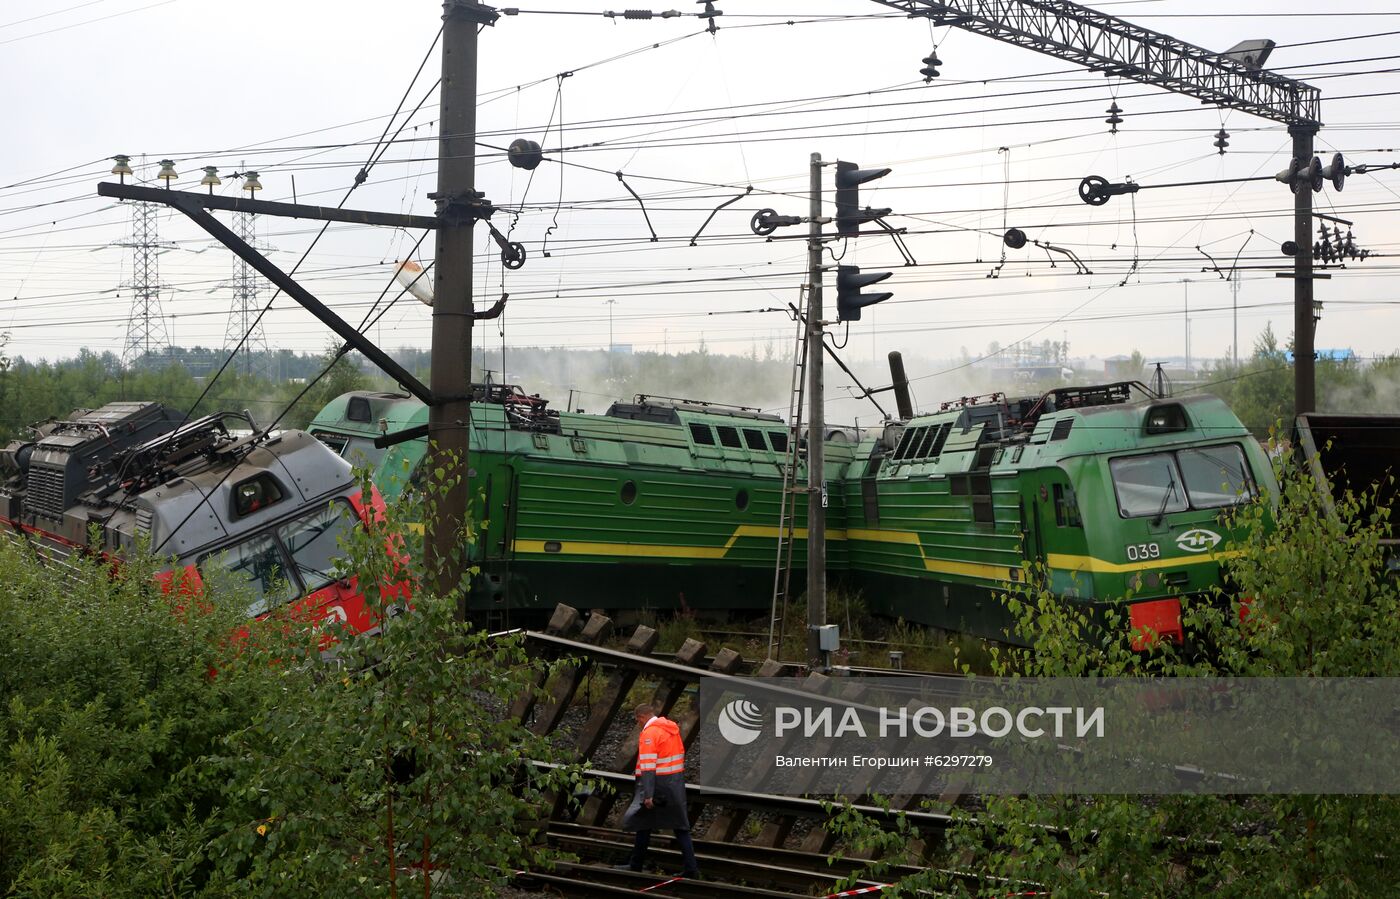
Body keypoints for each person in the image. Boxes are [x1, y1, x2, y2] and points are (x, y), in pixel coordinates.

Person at [615, 702, 701, 878]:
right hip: (674, 782)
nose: (638, 724)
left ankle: (636, 865)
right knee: (675, 825)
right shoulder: (671, 730)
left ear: (641, 717)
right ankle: (690, 868)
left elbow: (647, 766)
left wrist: (648, 795)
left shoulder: (649, 733)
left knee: (644, 821)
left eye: (637, 720)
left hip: (658, 786)